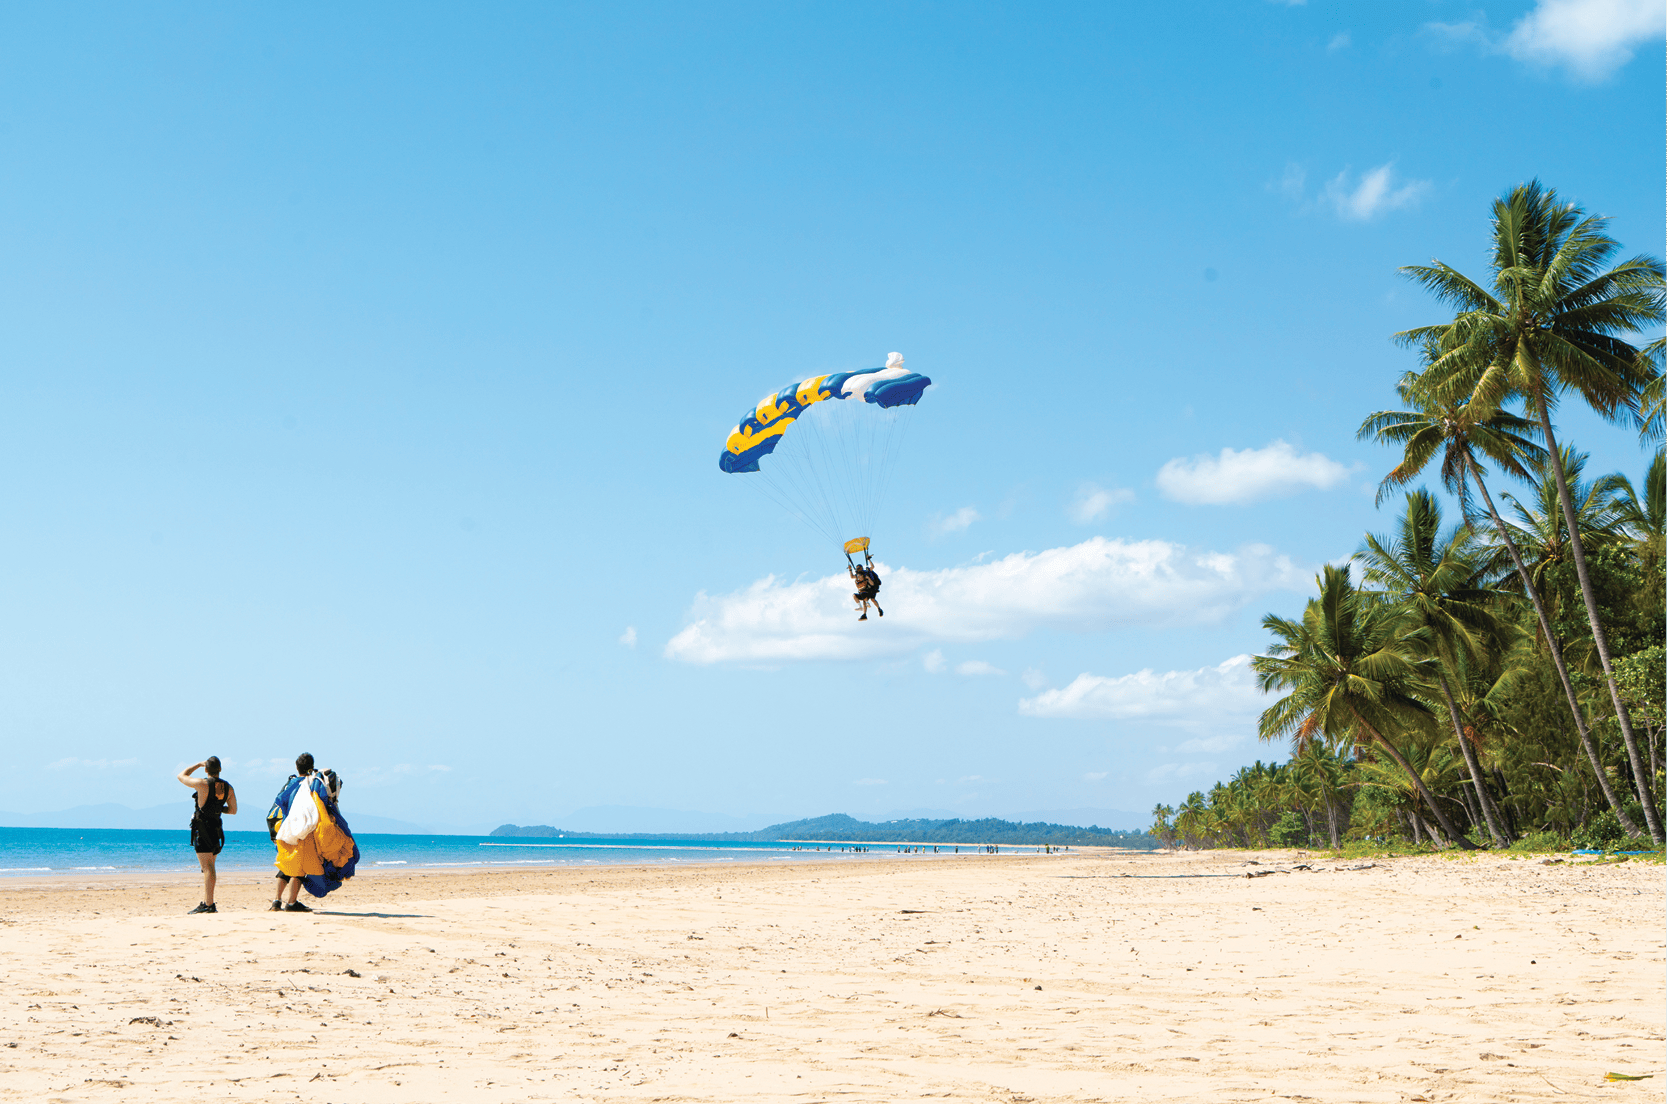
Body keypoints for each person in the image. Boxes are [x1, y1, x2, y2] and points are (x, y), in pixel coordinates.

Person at [267, 753, 359, 912]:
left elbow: (280, 805)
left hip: (287, 830)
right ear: (312, 766)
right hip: (306, 833)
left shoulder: (290, 784)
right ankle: (291, 903)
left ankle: (276, 902)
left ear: (297, 767)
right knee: (300, 870)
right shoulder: (315, 784)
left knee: (286, 865)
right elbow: (325, 803)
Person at [178, 757, 236, 914]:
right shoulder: (228, 787)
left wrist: (197, 764)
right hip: (217, 828)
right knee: (210, 867)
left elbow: (181, 775)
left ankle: (209, 904)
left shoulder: (202, 784)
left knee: (207, 868)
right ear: (220, 770)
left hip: (203, 828)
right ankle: (207, 902)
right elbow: (232, 810)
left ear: (206, 770)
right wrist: (218, 808)